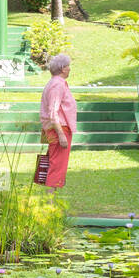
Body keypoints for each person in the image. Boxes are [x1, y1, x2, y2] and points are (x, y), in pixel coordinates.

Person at [39, 53, 76, 190]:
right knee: (57, 165)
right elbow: (53, 112)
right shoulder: (57, 85)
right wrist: (61, 134)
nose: (69, 69)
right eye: (68, 66)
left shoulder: (57, 83)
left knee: (57, 164)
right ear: (62, 69)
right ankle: (50, 204)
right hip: (59, 128)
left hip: (59, 128)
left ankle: (52, 201)